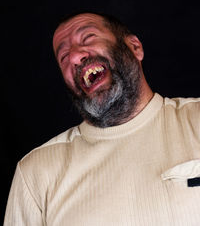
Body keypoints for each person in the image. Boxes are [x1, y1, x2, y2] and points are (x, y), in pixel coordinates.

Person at [4, 12, 200, 225]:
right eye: (63, 57)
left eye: (88, 38)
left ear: (135, 47)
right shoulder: (36, 172)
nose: (74, 57)